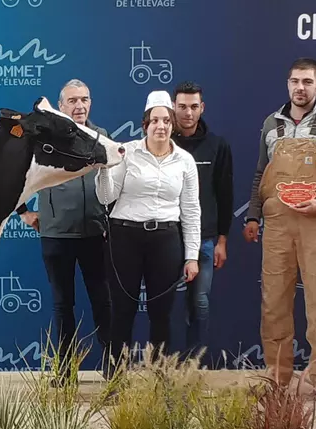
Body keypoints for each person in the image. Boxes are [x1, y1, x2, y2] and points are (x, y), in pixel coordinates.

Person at [243, 57, 316, 400]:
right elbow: (259, 175)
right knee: (274, 301)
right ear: (287, 83)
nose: (300, 87)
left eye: (307, 82)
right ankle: (277, 377)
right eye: (295, 81)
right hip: (277, 223)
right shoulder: (271, 123)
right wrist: (253, 216)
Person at [15, 78, 113, 382]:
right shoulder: (45, 138)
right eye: (72, 100)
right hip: (56, 235)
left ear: (91, 103)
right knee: (62, 306)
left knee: (102, 301)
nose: (79, 105)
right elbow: (15, 173)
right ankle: (65, 371)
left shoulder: (101, 137)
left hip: (96, 234)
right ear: (61, 106)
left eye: (84, 99)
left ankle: (113, 366)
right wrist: (24, 212)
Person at [95, 90, 201, 370]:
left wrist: (191, 256)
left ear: (172, 124)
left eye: (166, 120)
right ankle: (115, 376)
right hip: (124, 237)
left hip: (166, 239)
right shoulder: (126, 153)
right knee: (123, 310)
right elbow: (106, 197)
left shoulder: (185, 161)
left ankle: (159, 378)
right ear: (145, 124)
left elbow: (191, 211)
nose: (161, 126)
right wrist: (104, 168)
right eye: (155, 120)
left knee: (162, 313)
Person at [172, 81, 234, 358]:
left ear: (202, 108)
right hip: (167, 238)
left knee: (200, 302)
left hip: (206, 240)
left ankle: (194, 365)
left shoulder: (217, 146)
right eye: (182, 106)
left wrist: (222, 240)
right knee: (168, 305)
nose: (188, 113)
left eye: (194, 107)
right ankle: (166, 365)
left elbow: (225, 194)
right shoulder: (162, 142)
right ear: (174, 107)